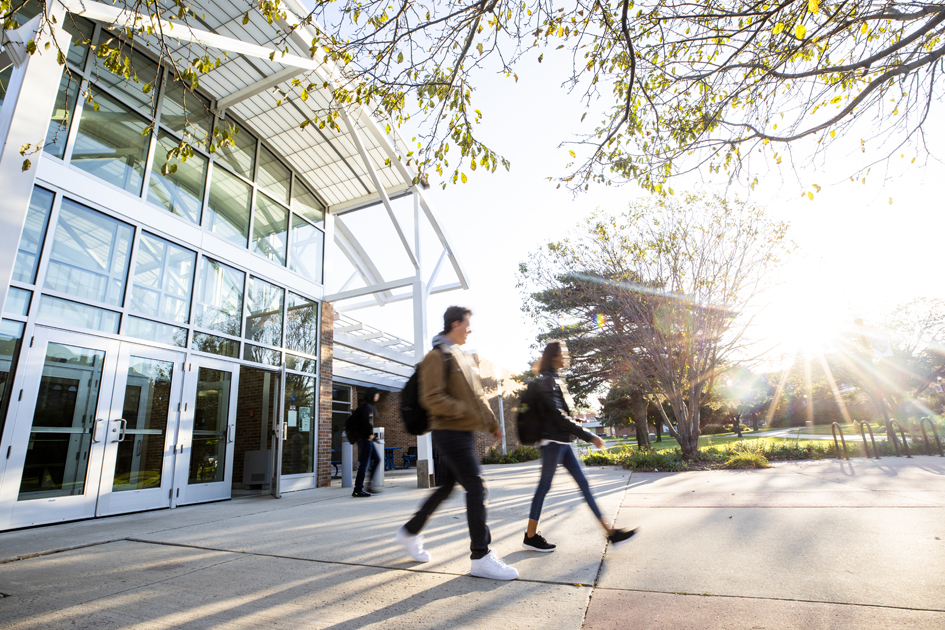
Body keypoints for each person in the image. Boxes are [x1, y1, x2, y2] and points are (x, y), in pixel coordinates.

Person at [394, 306, 519, 580]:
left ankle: (410, 531)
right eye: (467, 325)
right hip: (448, 431)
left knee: (447, 487)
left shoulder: (461, 356)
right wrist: (465, 412)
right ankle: (481, 556)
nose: (469, 330)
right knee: (476, 487)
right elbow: (432, 397)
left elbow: (479, 396)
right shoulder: (436, 357)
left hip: (461, 431)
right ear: (454, 324)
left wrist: (493, 424)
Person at [522, 341, 639, 553]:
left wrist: (576, 425)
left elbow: (562, 414)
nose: (567, 356)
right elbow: (557, 416)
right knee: (544, 488)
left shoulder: (556, 379)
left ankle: (611, 533)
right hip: (552, 443)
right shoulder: (548, 381)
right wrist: (588, 435)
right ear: (555, 356)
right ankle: (530, 536)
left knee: (584, 485)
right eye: (564, 353)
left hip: (563, 442)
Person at [350, 388, 382, 497]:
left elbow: (363, 423)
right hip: (365, 440)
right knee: (364, 464)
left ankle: (368, 486)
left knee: (377, 459)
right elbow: (365, 421)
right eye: (377, 394)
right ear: (372, 395)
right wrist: (369, 434)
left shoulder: (366, 406)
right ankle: (358, 489)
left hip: (367, 439)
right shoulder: (367, 406)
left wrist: (373, 438)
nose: (378, 396)